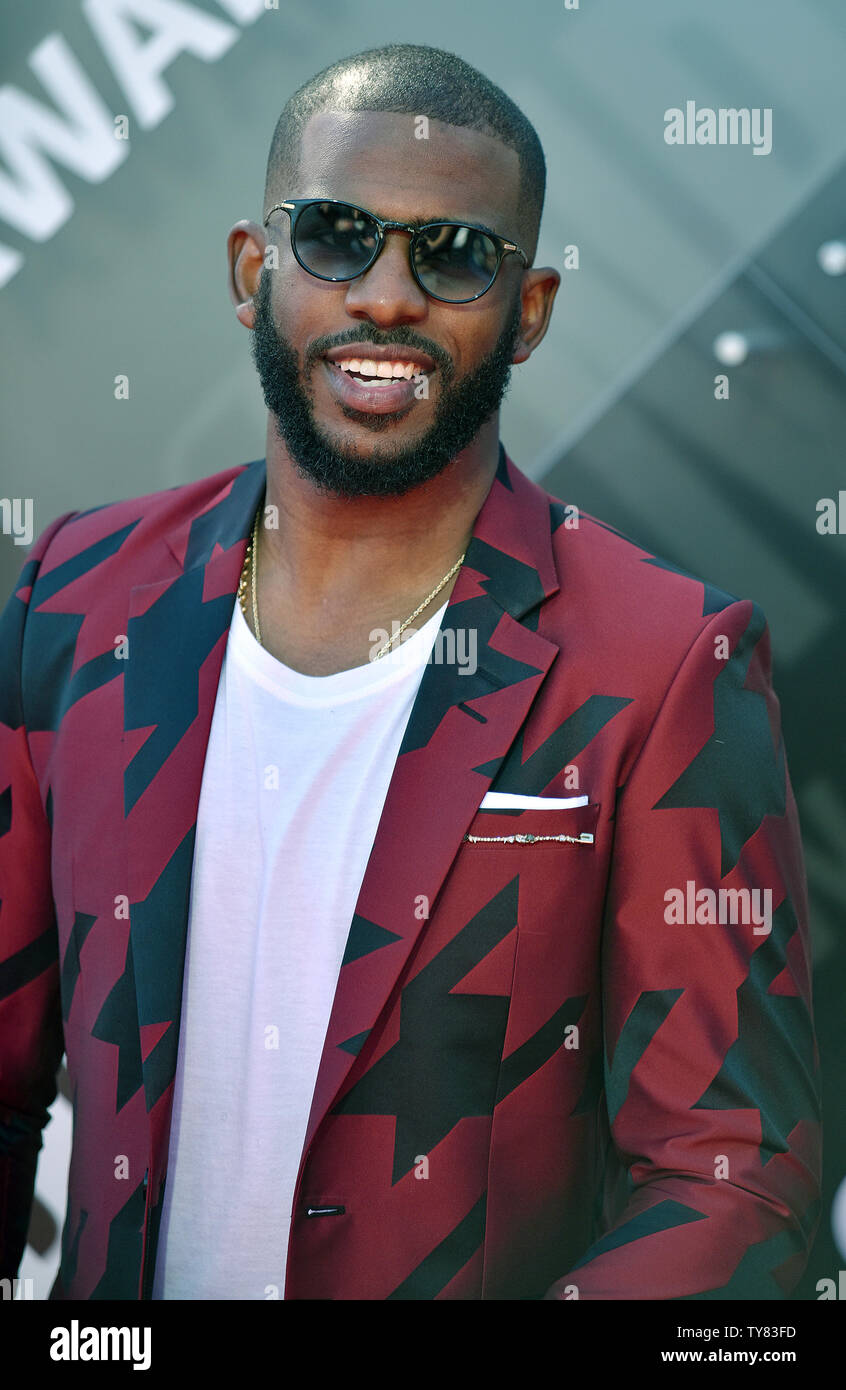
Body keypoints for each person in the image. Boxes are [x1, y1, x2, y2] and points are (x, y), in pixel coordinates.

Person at [0, 43, 821, 1301]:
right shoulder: (78, 591)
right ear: (250, 269)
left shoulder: (665, 663)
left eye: (455, 254)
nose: (386, 295)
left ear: (530, 311)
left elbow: (733, 1180)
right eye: (334, 236)